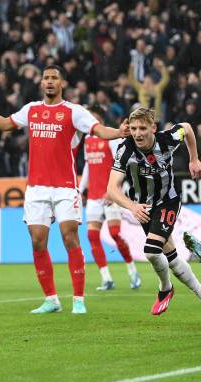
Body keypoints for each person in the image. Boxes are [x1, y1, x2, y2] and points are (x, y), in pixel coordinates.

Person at [0, 64, 130, 314]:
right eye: (46, 77)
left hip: (64, 188)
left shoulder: (74, 111)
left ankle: (78, 299)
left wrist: (119, 132)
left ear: (62, 84)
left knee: (70, 238)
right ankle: (51, 299)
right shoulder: (31, 110)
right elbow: (5, 125)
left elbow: (99, 131)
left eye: (54, 78)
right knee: (38, 242)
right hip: (36, 188)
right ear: (41, 83)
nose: (49, 81)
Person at [106, 107, 201, 324]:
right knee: (173, 260)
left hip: (168, 202)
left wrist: (194, 159)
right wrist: (132, 206)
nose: (137, 133)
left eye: (143, 128)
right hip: (143, 208)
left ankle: (165, 289)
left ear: (153, 129)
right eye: (134, 128)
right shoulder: (125, 150)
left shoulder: (166, 140)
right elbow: (111, 188)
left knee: (150, 251)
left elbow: (186, 127)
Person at [79, 106, 141, 291]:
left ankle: (132, 271)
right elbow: (88, 166)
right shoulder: (88, 140)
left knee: (114, 234)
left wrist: (113, 190)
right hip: (93, 196)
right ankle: (106, 278)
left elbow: (120, 166)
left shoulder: (111, 140)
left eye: (94, 118)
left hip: (111, 195)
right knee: (91, 236)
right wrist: (80, 189)